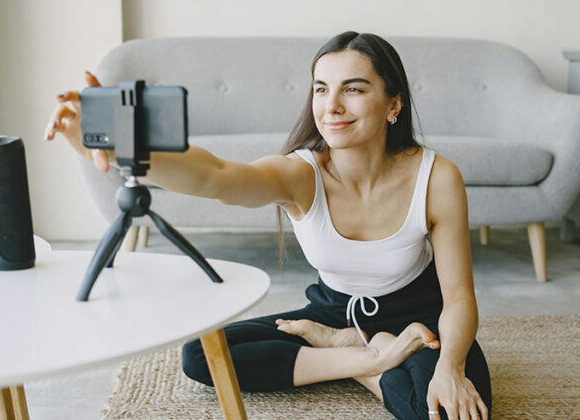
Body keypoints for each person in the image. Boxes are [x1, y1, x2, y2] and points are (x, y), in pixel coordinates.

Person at [45, 31, 491, 420]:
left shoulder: (436, 177)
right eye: (320, 89)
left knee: (444, 411)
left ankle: (353, 351)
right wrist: (129, 149)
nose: (332, 105)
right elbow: (216, 176)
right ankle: (360, 353)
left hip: (420, 317)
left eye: (352, 89)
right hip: (332, 313)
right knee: (202, 356)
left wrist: (450, 367)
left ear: (393, 103)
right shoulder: (301, 174)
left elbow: (457, 296)